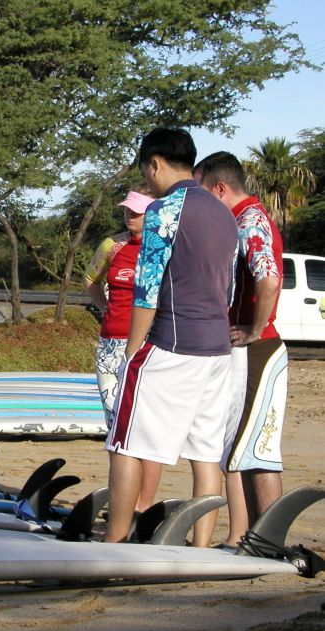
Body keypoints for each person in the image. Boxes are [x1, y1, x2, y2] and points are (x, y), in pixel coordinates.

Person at [104, 127, 238, 547]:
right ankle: (201, 546)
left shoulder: (165, 210)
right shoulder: (223, 212)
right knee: (205, 452)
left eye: (147, 170)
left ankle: (114, 540)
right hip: (219, 350)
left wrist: (131, 353)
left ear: (155, 163)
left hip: (173, 344)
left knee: (125, 442)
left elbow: (147, 291)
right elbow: (228, 286)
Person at [195, 151, 287, 547]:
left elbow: (268, 279)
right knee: (241, 447)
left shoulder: (251, 221)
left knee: (258, 449)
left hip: (258, 349)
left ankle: (270, 539)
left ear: (220, 188)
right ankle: (252, 536)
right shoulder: (240, 221)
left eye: (202, 193)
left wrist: (253, 328)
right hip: (247, 350)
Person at [85, 190, 163, 513]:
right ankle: (121, 501)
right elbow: (89, 281)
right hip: (110, 347)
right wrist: (105, 309)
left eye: (137, 212)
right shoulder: (111, 246)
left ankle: (142, 506)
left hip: (147, 348)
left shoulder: (161, 247)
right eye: (127, 211)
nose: (130, 217)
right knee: (116, 430)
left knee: (145, 429)